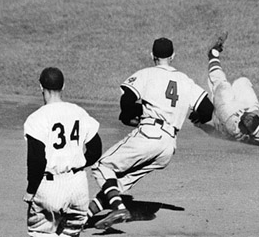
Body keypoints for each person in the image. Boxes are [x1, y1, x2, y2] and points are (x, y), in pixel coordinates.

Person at [87, 37, 214, 229]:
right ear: (173, 56)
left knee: (102, 166)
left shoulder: (146, 74)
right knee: (117, 183)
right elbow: (207, 109)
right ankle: (83, 217)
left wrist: (132, 116)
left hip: (149, 135)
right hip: (168, 147)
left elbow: (127, 101)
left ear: (152, 55)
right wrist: (197, 117)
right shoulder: (185, 81)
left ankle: (119, 208)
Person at [23, 67, 102, 237]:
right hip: (78, 187)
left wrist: (30, 191)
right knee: (70, 233)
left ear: (40, 86)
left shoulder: (37, 118)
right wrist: (77, 163)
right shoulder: (79, 112)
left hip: (49, 189)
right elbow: (96, 150)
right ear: (63, 86)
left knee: (41, 233)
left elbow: (36, 160)